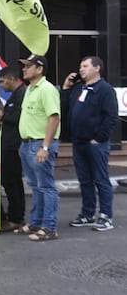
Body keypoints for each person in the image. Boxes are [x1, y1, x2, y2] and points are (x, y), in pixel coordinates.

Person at [61, 55, 118, 232]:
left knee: (101, 179)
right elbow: (64, 108)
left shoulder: (105, 90)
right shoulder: (78, 89)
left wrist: (99, 137)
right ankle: (88, 214)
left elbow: (110, 117)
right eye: (80, 66)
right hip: (78, 142)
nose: (81, 69)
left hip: (95, 143)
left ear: (97, 68)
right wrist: (65, 88)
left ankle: (106, 216)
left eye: (85, 66)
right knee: (84, 180)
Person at [17, 54, 61, 241]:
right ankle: (36, 222)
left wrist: (45, 146)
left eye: (28, 66)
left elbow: (54, 117)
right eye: (24, 66)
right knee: (35, 186)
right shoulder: (29, 89)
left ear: (39, 68)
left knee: (46, 187)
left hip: (39, 143)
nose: (24, 69)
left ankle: (49, 227)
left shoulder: (47, 89)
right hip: (28, 144)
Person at [0, 67, 26, 232]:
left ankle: (16, 218)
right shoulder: (15, 95)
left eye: (2, 81)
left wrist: (3, 116)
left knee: (12, 182)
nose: (1, 86)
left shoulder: (22, 94)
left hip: (14, 147)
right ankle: (15, 216)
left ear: (11, 78)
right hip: (7, 144)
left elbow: (21, 117)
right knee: (10, 182)